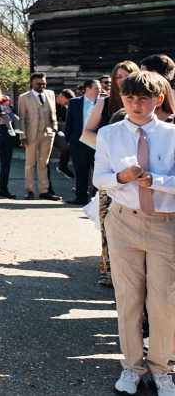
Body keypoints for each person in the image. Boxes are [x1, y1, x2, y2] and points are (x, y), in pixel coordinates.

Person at [92, 71, 175, 396]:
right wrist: (122, 177)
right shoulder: (110, 134)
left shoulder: (171, 134)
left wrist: (156, 181)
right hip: (123, 220)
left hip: (164, 224)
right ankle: (131, 366)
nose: (136, 105)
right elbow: (100, 178)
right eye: (129, 98)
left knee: (164, 302)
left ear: (158, 100)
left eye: (143, 99)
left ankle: (162, 367)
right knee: (128, 298)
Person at [79, 61, 139, 287]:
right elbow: (86, 134)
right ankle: (108, 270)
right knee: (108, 222)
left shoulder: (142, 104)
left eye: (127, 76)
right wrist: (109, 147)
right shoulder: (105, 103)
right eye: (118, 77)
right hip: (110, 171)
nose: (122, 80)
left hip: (137, 170)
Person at [17, 72, 61, 201]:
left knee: (44, 163)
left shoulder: (50, 94)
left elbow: (54, 112)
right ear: (32, 83)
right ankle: (29, 190)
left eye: (44, 83)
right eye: (39, 84)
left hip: (48, 133)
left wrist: (54, 128)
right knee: (30, 163)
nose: (42, 86)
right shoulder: (24, 97)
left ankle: (44, 190)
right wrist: (22, 135)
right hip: (31, 133)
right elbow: (22, 118)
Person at [64, 78, 102, 206]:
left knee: (98, 170)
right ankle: (81, 197)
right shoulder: (75, 103)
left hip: (96, 142)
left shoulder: (102, 102)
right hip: (79, 142)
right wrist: (69, 140)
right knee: (80, 171)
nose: (99, 90)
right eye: (96, 88)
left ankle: (97, 198)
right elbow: (69, 122)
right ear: (88, 89)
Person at [54, 89, 76, 178]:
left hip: (55, 131)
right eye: (66, 102)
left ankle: (62, 166)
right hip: (42, 131)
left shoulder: (64, 108)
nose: (66, 104)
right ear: (61, 96)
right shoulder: (49, 101)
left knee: (67, 146)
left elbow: (66, 122)